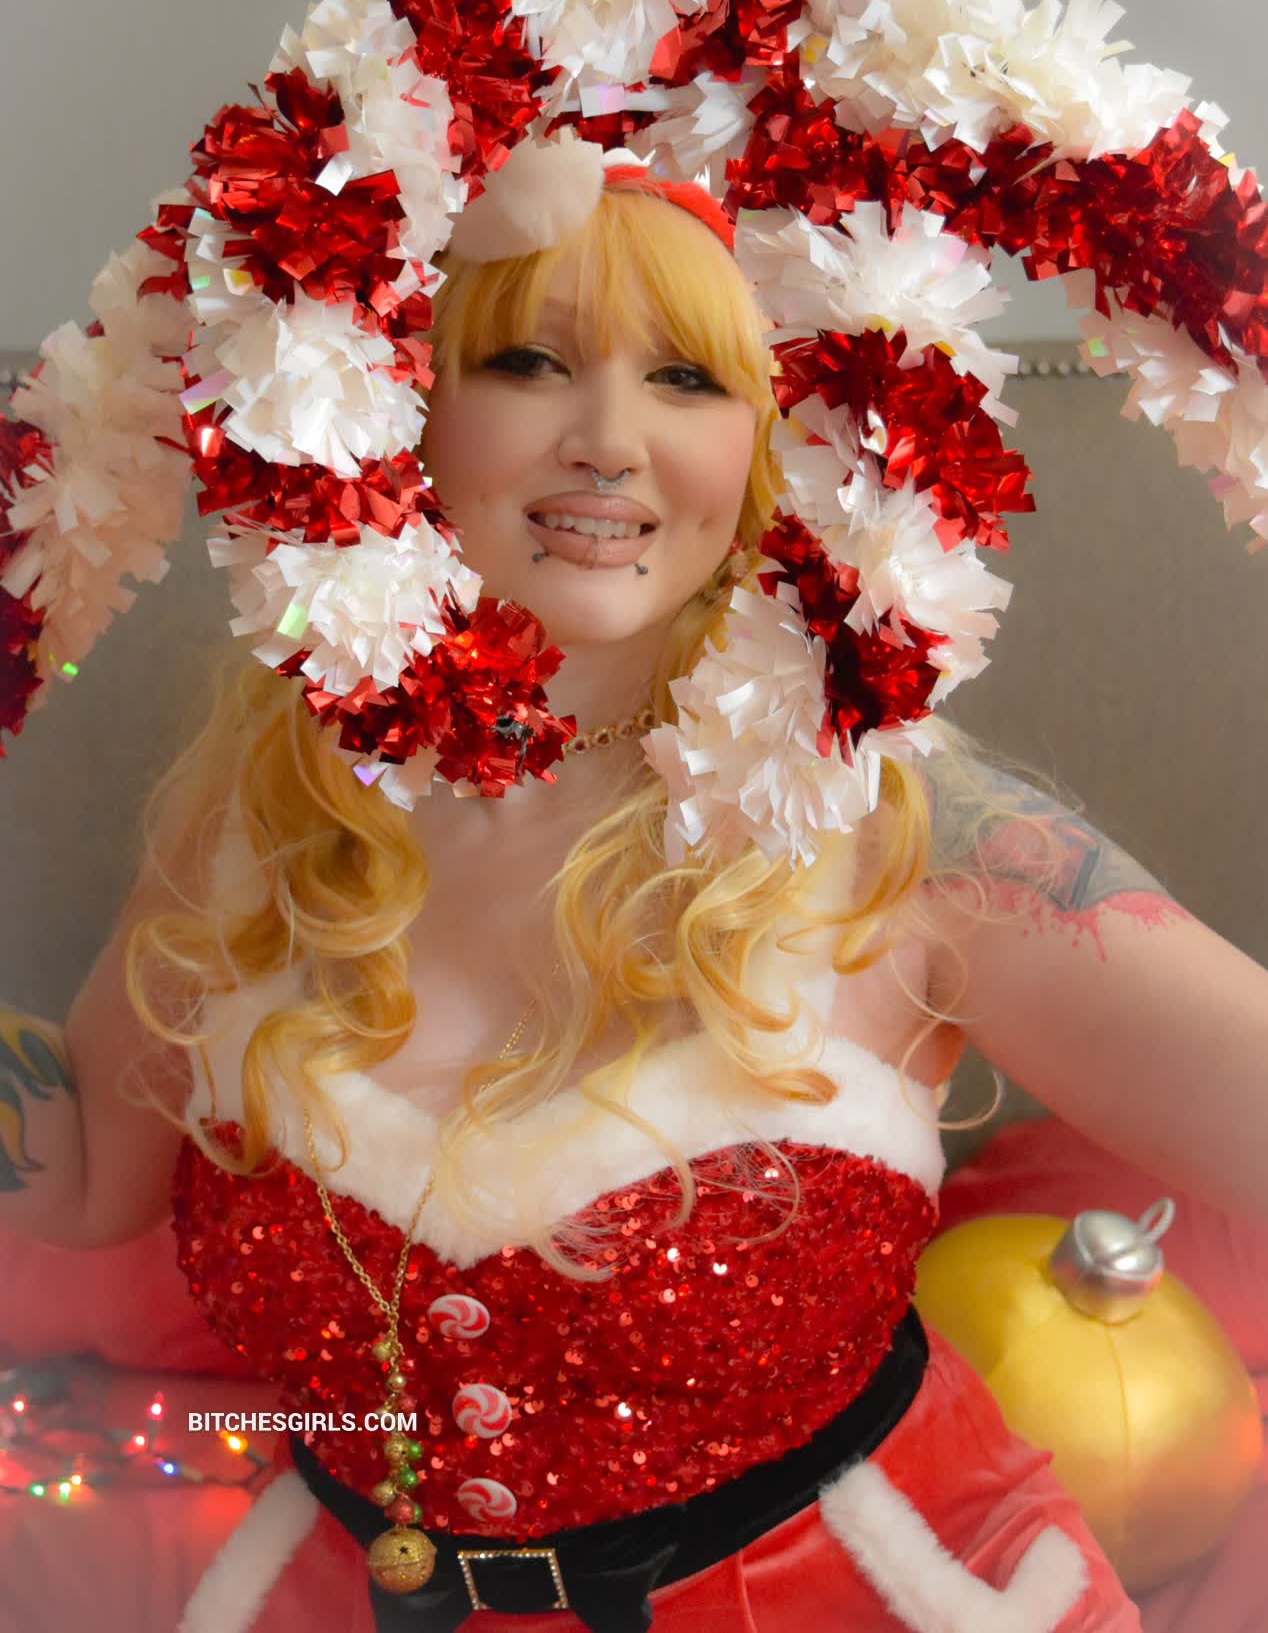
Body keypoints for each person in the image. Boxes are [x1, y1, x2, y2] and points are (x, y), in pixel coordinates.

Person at [6, 155, 1265, 1633]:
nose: (609, 441)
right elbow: (84, 1180)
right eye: (527, 362)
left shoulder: (905, 832)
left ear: (768, 441)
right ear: (400, 400)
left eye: (686, 378)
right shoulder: (259, 804)